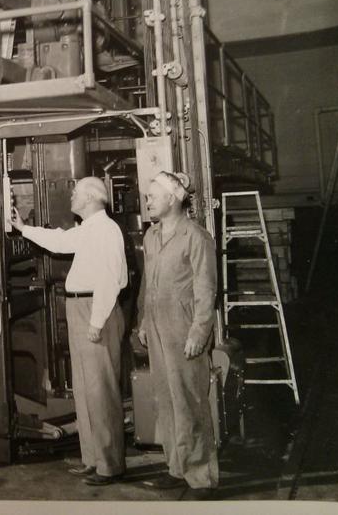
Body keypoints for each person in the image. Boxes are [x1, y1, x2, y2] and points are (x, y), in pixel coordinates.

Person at [11, 176, 127, 486]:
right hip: (79, 308)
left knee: (101, 392)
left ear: (90, 198)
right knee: (86, 390)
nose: (71, 198)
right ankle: (93, 459)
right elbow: (60, 242)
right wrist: (23, 228)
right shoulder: (89, 229)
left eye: (75, 194)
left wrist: (97, 321)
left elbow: (109, 280)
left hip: (94, 309)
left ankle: (110, 465)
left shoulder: (106, 230)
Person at [136, 171, 218, 500]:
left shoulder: (195, 237)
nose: (148, 200)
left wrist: (200, 332)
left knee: (190, 401)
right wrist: (143, 321)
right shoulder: (151, 237)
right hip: (156, 327)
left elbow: (206, 289)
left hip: (183, 328)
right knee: (166, 400)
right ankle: (176, 468)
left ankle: (202, 477)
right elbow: (147, 284)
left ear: (172, 199)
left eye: (153, 195)